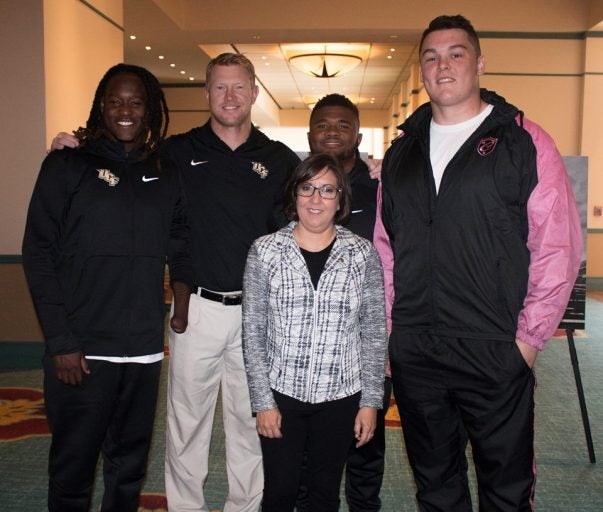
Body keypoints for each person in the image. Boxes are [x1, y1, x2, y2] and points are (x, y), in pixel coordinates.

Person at [49, 53, 300, 511]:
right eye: (220, 87)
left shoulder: (279, 160)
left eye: (239, 87)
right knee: (186, 423)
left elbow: (315, 210)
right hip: (195, 311)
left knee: (252, 422)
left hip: (260, 315)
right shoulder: (174, 153)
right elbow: (117, 157)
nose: (229, 97)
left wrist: (370, 175)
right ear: (206, 94)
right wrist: (73, 144)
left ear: (255, 94)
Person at [373, 15, 582, 511]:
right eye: (431, 57)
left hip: (494, 348)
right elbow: (385, 250)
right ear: (421, 71)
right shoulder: (401, 152)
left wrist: (527, 342)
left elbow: (558, 248)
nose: (442, 65)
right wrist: (388, 333)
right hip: (416, 350)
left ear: (480, 63)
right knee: (436, 485)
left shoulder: (523, 141)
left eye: (456, 53)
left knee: (506, 490)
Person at [22, 63, 192, 512]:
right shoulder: (67, 164)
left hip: (143, 352)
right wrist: (60, 341)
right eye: (115, 101)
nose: (125, 110)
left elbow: (180, 238)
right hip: (81, 352)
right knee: (73, 472)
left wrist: (182, 299)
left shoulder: (165, 170)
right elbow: (38, 254)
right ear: (101, 105)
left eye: (136, 102)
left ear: (151, 109)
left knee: (128, 470)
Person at [242, 153, 388, 512]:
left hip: (341, 396)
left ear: (341, 199)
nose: (316, 199)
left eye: (327, 190)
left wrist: (370, 402)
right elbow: (253, 332)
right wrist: (263, 402)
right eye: (307, 188)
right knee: (280, 492)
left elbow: (373, 331)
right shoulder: (265, 251)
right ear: (294, 194)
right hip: (282, 395)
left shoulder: (361, 254)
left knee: (323, 495)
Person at [306, 93, 391, 512]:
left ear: (358, 133)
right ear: (310, 133)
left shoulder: (382, 186)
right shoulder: (297, 186)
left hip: (369, 338)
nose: (333, 132)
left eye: (343, 124)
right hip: (307, 341)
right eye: (323, 124)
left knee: (365, 446)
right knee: (309, 449)